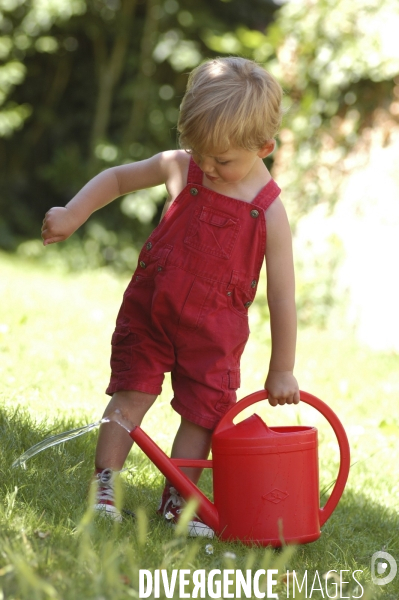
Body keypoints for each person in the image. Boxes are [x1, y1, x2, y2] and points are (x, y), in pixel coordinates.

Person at [41, 56, 300, 538]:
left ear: (263, 147)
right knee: (131, 394)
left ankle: (179, 497)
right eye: (198, 152)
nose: (207, 166)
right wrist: (74, 214)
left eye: (222, 160)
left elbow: (283, 298)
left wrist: (281, 367)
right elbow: (118, 178)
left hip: (215, 334)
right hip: (153, 310)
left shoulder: (269, 212)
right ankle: (105, 484)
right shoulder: (184, 167)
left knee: (203, 414)